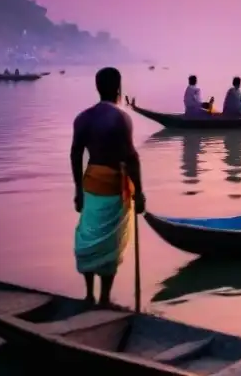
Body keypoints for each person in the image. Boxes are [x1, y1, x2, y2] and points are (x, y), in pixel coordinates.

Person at [70, 67, 145, 308]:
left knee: (89, 238)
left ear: (97, 87)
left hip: (90, 182)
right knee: (110, 243)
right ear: (118, 88)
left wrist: (78, 191)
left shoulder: (83, 118)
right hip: (112, 185)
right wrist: (141, 193)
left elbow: (75, 155)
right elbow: (131, 158)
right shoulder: (121, 118)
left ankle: (90, 296)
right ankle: (103, 299)